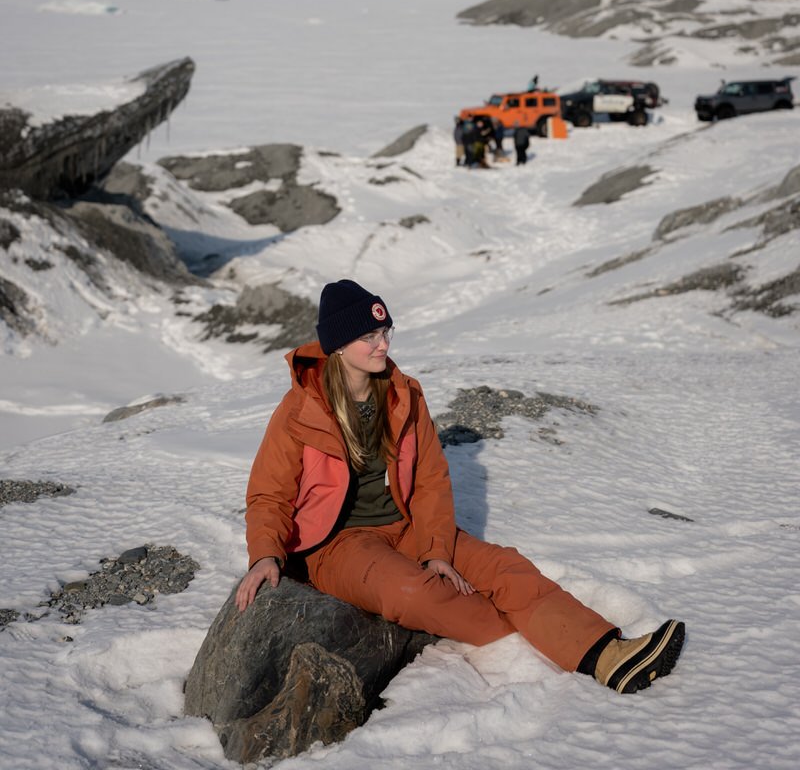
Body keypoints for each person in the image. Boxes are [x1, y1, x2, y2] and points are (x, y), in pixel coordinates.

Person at [236, 279, 685, 695]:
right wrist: (265, 555)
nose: (383, 345)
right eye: (369, 337)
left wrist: (435, 549)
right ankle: (537, 631)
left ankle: (608, 655)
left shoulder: (402, 395)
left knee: (503, 567)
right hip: (336, 546)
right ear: (338, 347)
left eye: (386, 331)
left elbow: (430, 477)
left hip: (404, 525)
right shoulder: (300, 411)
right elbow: (268, 494)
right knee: (411, 592)